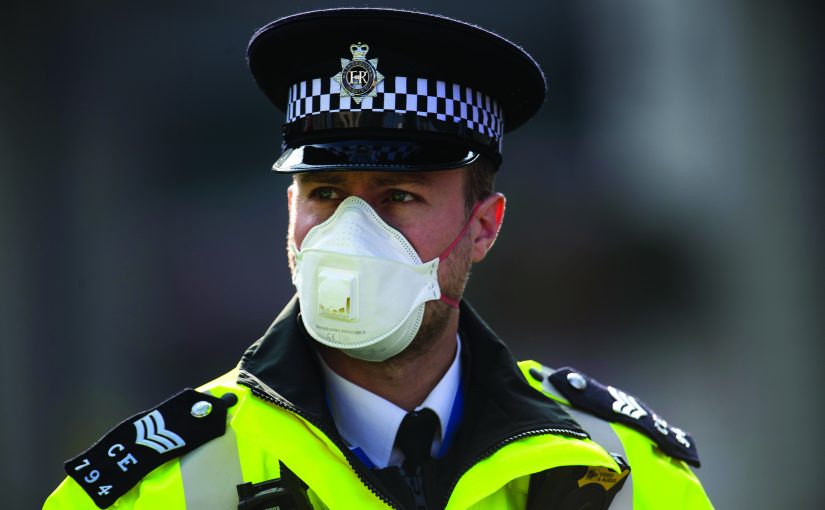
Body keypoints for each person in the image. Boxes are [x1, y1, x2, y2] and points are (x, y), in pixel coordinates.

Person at [45, 8, 712, 510]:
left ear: (483, 227)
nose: (349, 234)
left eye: (397, 195)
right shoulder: (151, 490)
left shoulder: (623, 473)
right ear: (290, 215)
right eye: (325, 193)